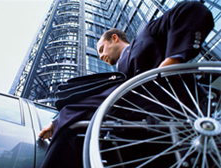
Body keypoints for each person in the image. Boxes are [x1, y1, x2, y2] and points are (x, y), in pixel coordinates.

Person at [38, 1, 214, 168]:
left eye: (101, 49)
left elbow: (193, 10)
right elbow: (102, 98)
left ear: (114, 38)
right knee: (72, 137)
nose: (100, 56)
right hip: (143, 138)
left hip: (183, 112)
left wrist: (173, 60)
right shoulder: (119, 78)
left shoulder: (146, 36)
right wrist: (57, 122)